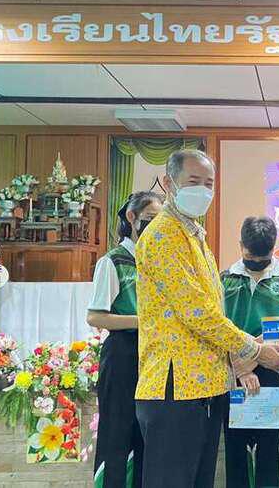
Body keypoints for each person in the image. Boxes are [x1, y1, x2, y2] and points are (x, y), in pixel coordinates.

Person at [134, 149, 279, 488]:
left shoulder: (195, 236)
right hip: (174, 387)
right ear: (169, 183)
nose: (203, 191)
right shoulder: (164, 235)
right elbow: (198, 313)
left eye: (209, 184)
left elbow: (212, 313)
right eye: (194, 181)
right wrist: (256, 350)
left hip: (204, 385)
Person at [220, 216, 279, 488]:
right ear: (240, 246)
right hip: (231, 373)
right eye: (250, 256)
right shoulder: (225, 279)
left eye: (263, 257)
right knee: (235, 450)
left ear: (273, 249)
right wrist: (241, 368)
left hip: (271, 372)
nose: (256, 262)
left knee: (269, 450)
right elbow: (217, 329)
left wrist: (250, 359)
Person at [87, 191, 163, 488]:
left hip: (153, 354)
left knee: (147, 434)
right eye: (150, 219)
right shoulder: (113, 261)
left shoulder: (158, 261)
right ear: (132, 218)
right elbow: (96, 317)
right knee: (117, 433)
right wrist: (143, 321)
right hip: (122, 353)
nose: (155, 226)